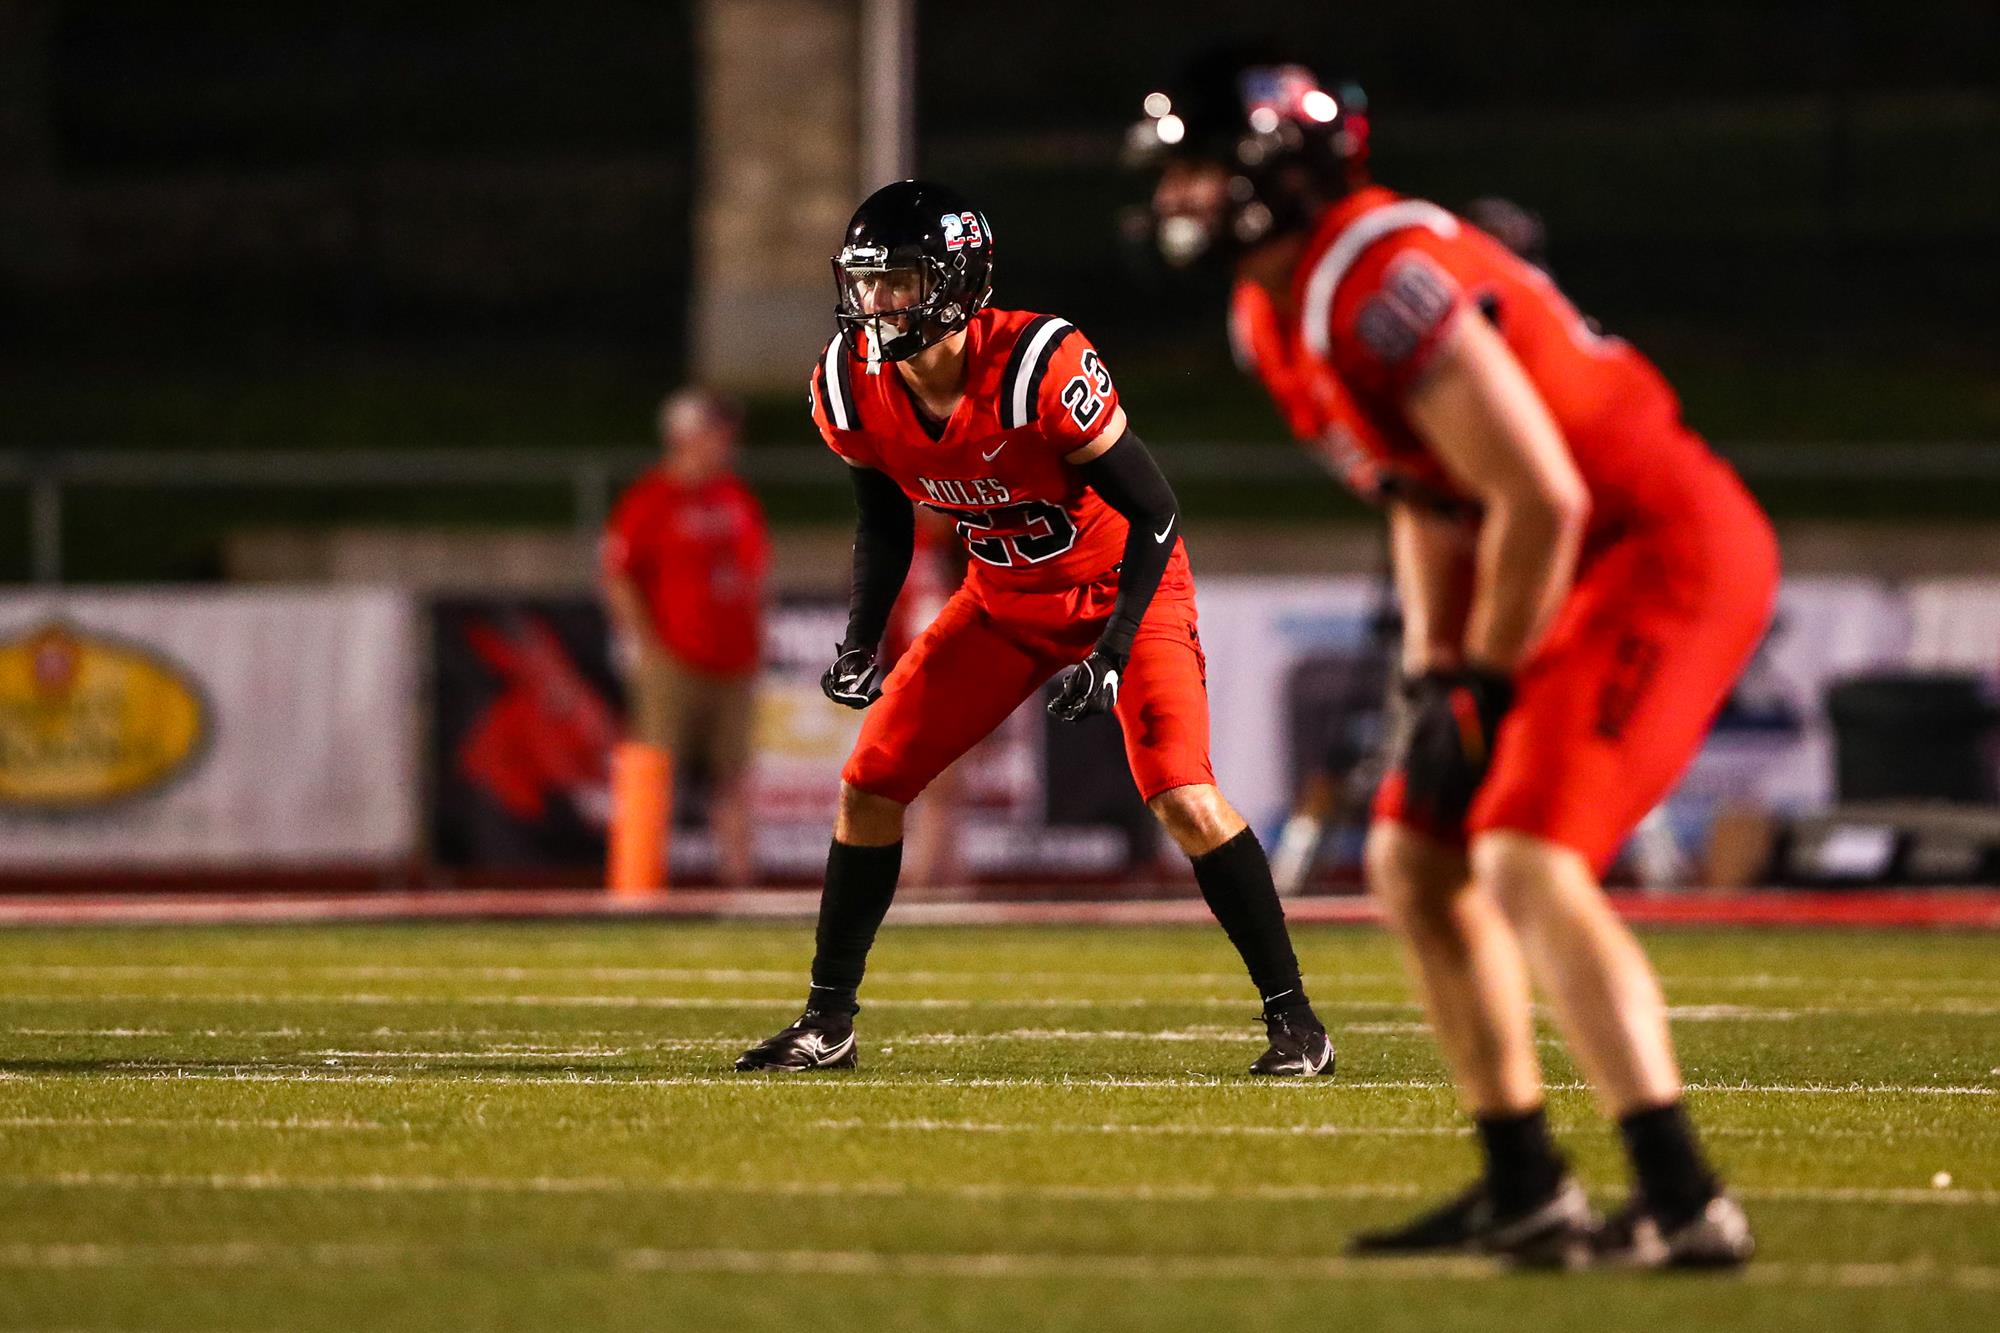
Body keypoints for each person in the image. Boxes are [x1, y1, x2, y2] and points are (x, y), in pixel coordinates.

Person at [1135, 57, 1778, 1268]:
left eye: (1198, 170)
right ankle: (1524, 1182)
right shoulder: (1270, 312)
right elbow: (1427, 497)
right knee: (1413, 857)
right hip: (1557, 554)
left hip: (1652, 548)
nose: (1177, 195)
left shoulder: (1372, 278)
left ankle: (1683, 1196)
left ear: (1271, 174)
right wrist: (1436, 676)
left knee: (1527, 859)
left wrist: (1480, 679)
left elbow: (1538, 494)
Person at [735, 179, 1335, 1078]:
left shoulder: (1033, 363)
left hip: (1121, 592)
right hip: (1003, 605)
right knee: (869, 782)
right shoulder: (850, 383)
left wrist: (1116, 649)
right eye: (866, 282)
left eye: (899, 280)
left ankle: (1298, 1023)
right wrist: (862, 638)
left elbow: (1157, 511)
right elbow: (886, 518)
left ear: (955, 281)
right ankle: (828, 1022)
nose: (876, 303)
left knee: (1182, 792)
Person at [601, 388, 769, 886]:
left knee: (734, 773)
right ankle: (640, 882)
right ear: (684, 438)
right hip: (674, 657)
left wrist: (757, 631)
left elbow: (757, 570)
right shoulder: (651, 500)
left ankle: (739, 882)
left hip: (734, 656)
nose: (726, 443)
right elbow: (618, 574)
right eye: (715, 433)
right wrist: (646, 646)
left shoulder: (735, 495)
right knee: (654, 770)